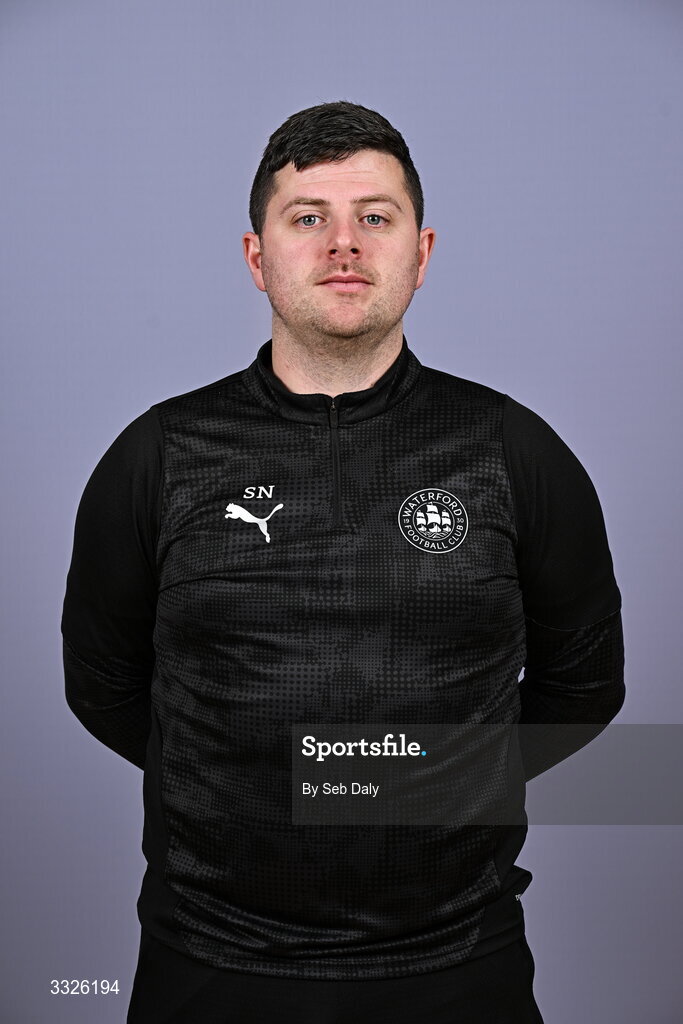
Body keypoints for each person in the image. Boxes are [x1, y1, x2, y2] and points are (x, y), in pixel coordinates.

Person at [61, 100, 624, 1023]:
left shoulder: (513, 452)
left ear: (421, 251)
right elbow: (105, 684)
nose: (343, 245)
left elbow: (584, 688)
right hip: (208, 960)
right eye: (307, 217)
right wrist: (240, 789)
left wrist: (389, 784)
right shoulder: (159, 456)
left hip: (458, 961)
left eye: (374, 216)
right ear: (258, 257)